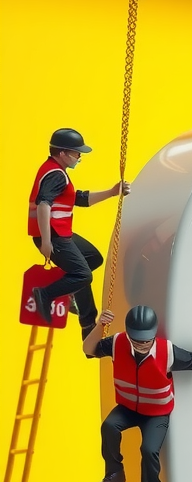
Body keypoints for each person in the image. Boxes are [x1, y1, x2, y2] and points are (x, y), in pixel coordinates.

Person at [84, 307, 192, 482]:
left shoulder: (167, 352)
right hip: (128, 407)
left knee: (148, 450)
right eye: (135, 341)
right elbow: (89, 350)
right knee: (109, 426)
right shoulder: (118, 343)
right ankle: (115, 472)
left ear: (153, 336)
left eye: (145, 342)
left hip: (156, 413)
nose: (140, 346)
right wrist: (99, 326)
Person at [28, 128, 131, 336]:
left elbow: (79, 199)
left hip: (60, 233)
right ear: (63, 153)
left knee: (93, 258)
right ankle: (46, 295)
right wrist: (46, 242)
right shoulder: (56, 174)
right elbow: (43, 205)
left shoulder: (56, 171)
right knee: (83, 274)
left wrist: (112, 192)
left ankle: (75, 301)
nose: (79, 157)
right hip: (53, 236)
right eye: (77, 153)